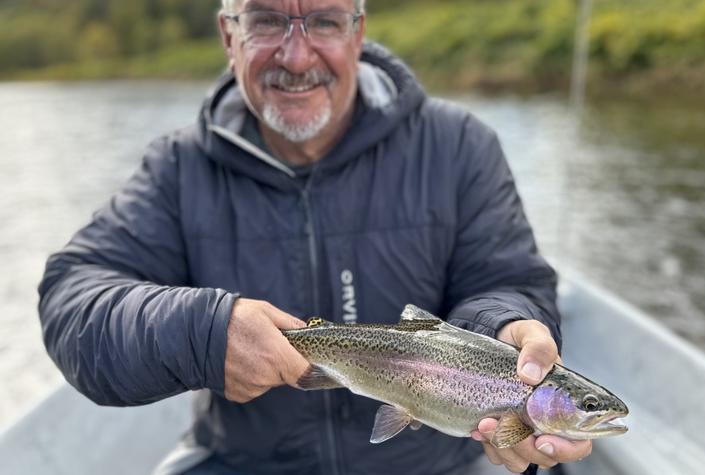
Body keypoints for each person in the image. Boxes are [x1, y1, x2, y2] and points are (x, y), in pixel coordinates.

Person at [38, 0, 592, 473]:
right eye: (267, 21)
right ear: (229, 36)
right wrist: (202, 335)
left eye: (323, 21)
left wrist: (504, 327)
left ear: (359, 32)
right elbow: (71, 299)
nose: (297, 57)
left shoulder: (459, 147)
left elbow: (504, 281)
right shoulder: (177, 169)